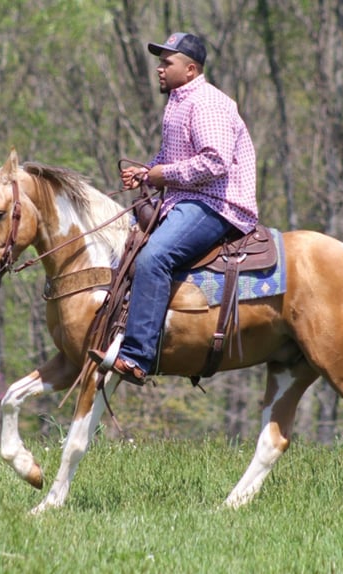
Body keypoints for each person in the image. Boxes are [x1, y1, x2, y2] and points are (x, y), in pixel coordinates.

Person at [89, 32, 258, 385]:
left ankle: (137, 357)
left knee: (154, 258)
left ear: (191, 69)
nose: (160, 69)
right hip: (186, 200)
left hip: (217, 204)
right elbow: (171, 159)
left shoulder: (208, 103)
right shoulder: (179, 102)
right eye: (160, 62)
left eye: (168, 62)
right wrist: (146, 172)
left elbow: (215, 162)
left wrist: (160, 174)